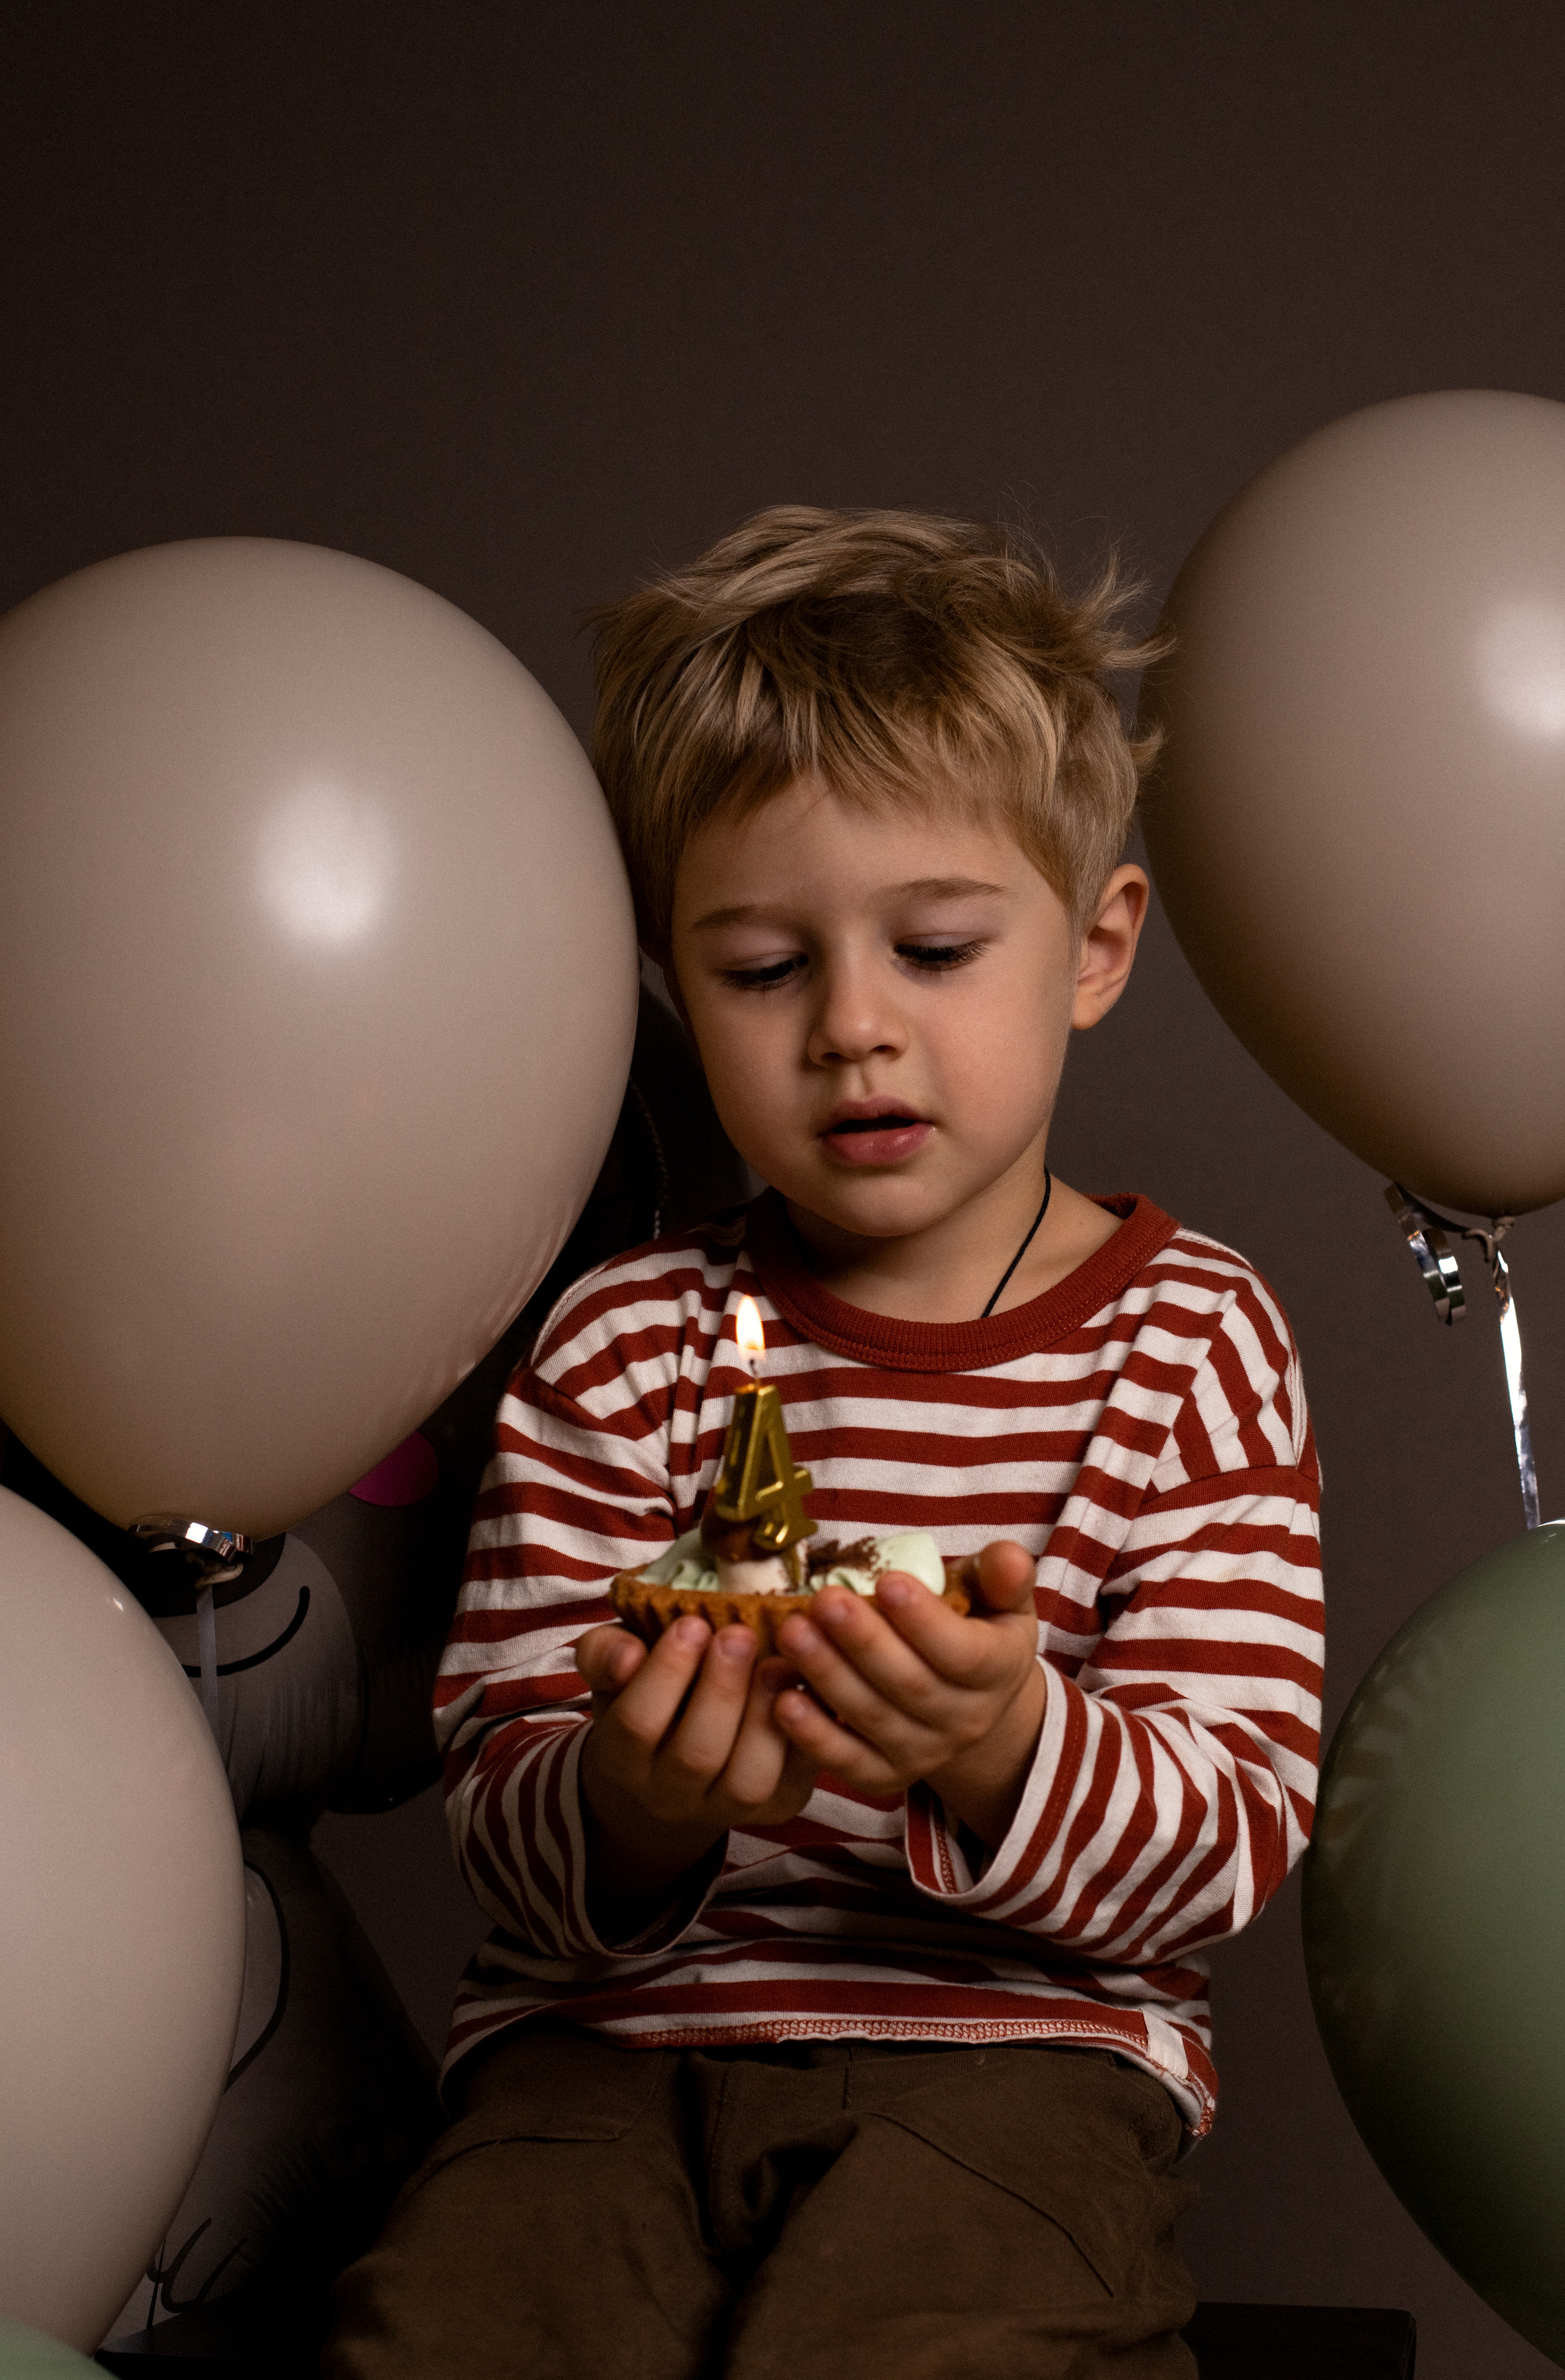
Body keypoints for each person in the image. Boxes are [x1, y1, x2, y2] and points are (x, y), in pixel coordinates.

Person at [324, 507, 1324, 2379]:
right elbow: (498, 1799)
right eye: (765, 971)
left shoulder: (1187, 1341)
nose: (855, 1030)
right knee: (451, 2326)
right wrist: (634, 1800)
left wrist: (1003, 1744)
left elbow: (1235, 1832)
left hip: (1020, 2069)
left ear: (1095, 948)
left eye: (934, 949)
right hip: (603, 2059)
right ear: (674, 984)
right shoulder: (625, 1343)